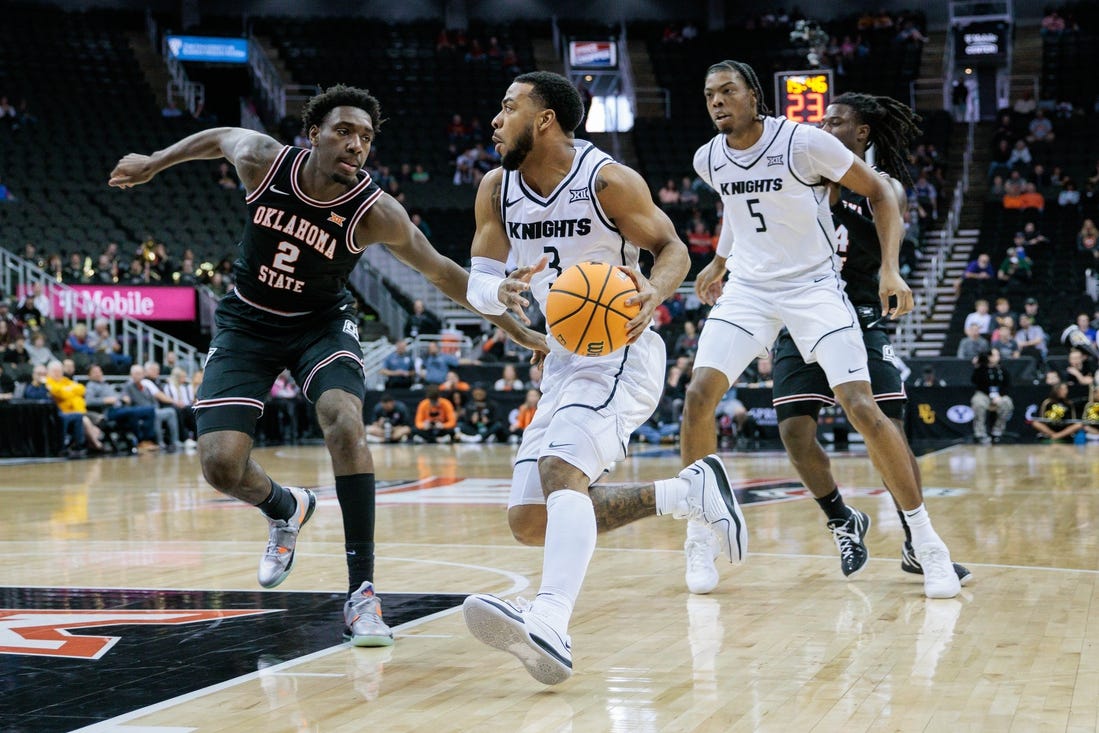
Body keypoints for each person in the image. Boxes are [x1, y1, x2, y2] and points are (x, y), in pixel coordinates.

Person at [108, 83, 544, 646]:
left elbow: (441, 272)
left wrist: (520, 327)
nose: (355, 145)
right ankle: (285, 508)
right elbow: (218, 137)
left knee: (343, 417)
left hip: (321, 323)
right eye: (343, 131)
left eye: (365, 137)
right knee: (219, 465)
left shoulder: (374, 210)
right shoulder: (264, 162)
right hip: (247, 323)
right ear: (313, 134)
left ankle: (362, 594)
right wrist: (154, 162)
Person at [460, 71, 739, 685]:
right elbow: (477, 279)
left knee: (563, 471)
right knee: (530, 520)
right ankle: (688, 495)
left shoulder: (604, 180)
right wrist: (503, 302)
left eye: (508, 107)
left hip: (620, 349)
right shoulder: (495, 189)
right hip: (562, 358)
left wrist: (653, 293)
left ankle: (551, 621)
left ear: (545, 119)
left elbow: (673, 250)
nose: (495, 120)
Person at [680, 62, 960, 599]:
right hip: (750, 290)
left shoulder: (803, 142)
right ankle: (700, 533)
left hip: (813, 288)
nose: (717, 101)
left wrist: (889, 268)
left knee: (861, 404)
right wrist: (718, 261)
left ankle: (926, 543)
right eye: (709, 93)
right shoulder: (707, 157)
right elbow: (739, 208)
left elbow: (880, 192)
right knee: (697, 396)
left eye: (728, 91)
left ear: (754, 96)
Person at [971, 350, 1014, 444]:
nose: (996, 357)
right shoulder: (981, 369)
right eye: (993, 355)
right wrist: (976, 366)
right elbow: (975, 381)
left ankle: (997, 432)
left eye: (997, 355)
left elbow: (1007, 385)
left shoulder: (1002, 370)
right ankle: (980, 433)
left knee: (1007, 402)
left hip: (999, 395)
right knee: (978, 402)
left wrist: (1000, 395)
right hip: (984, 394)